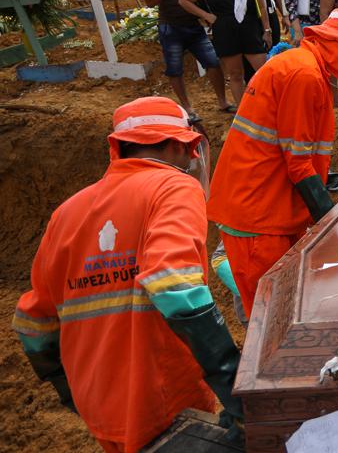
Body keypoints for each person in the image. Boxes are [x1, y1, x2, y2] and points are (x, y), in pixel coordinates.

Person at [13, 96, 243, 452]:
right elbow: (173, 283)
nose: (194, 157)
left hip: (98, 403)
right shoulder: (173, 188)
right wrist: (231, 380)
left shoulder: (66, 213)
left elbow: (32, 321)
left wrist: (68, 388)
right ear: (175, 144)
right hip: (162, 392)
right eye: (190, 147)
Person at [207, 8, 338, 316]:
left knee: (272, 308)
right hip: (260, 216)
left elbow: (292, 150)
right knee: (270, 315)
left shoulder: (299, 66)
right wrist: (333, 226)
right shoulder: (304, 75)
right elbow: (298, 162)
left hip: (265, 205)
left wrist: (333, 184)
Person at [142, 0, 229, 117]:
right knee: (175, 69)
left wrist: (207, 15)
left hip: (193, 25)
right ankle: (187, 108)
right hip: (170, 27)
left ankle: (223, 101)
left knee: (212, 63)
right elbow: (149, 2)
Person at [178, 0, 272, 107]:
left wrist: (267, 29)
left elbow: (262, 7)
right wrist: (206, 16)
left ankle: (269, 105)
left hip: (250, 29)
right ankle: (243, 111)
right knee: (235, 74)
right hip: (225, 33)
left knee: (264, 72)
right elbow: (184, 0)